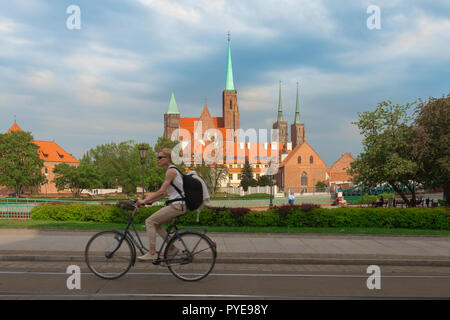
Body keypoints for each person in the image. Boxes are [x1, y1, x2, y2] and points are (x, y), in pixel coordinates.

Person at [136, 148, 187, 261]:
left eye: (160, 157)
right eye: (157, 157)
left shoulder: (171, 171)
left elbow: (161, 191)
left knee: (149, 221)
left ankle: (152, 252)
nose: (157, 160)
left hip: (178, 205)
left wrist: (144, 201)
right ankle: (172, 248)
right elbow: (163, 194)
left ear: (168, 158)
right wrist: (150, 201)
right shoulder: (171, 171)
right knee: (156, 224)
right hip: (179, 204)